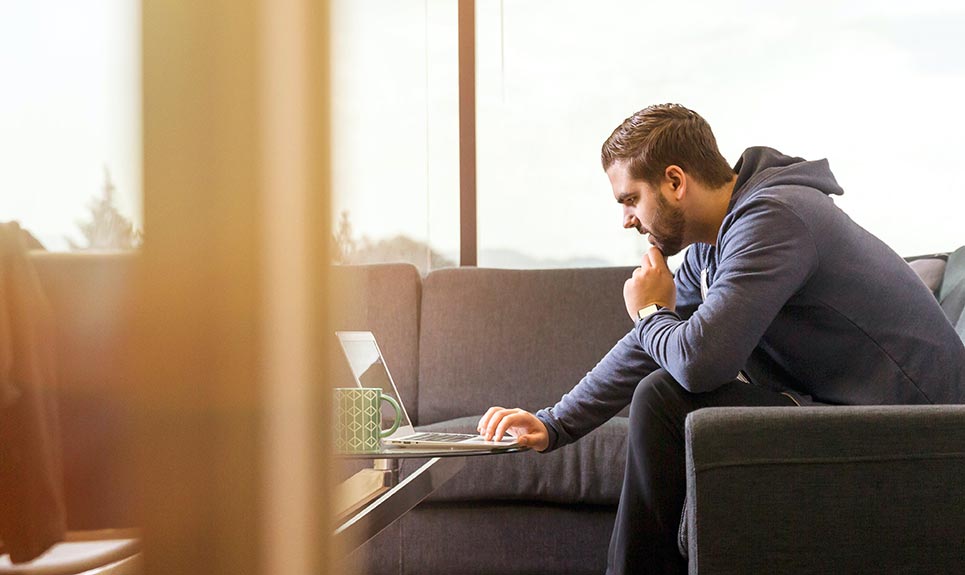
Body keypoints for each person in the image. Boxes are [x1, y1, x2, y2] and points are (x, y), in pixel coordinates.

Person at [476, 103, 965, 575]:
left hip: (921, 437)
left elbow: (699, 363)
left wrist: (650, 312)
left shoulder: (775, 219)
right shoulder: (712, 250)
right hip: (848, 415)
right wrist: (554, 423)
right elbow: (646, 349)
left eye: (630, 199)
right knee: (662, 391)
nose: (627, 220)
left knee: (667, 398)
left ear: (674, 181)